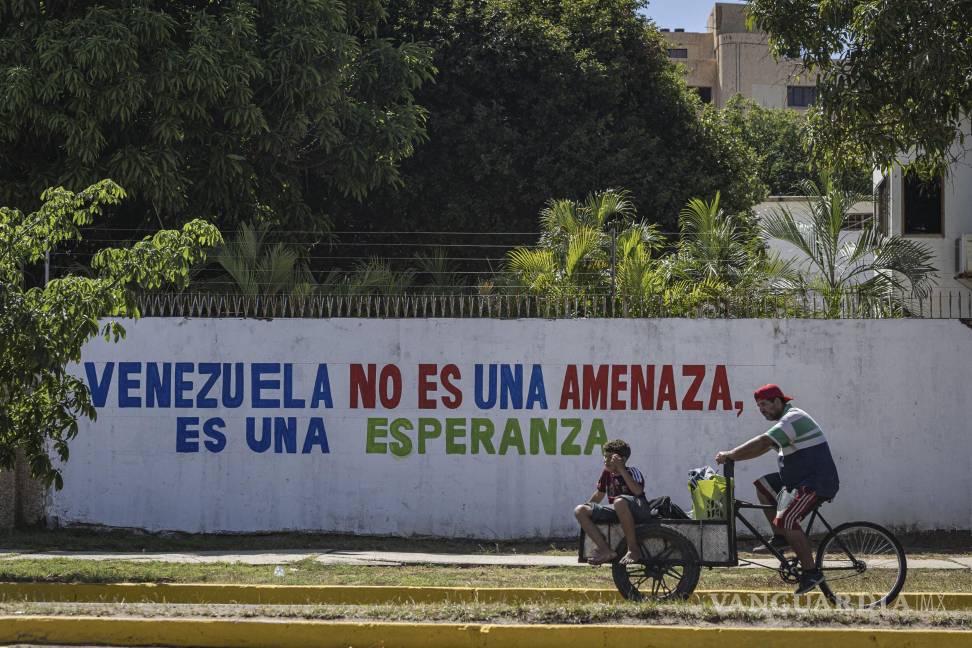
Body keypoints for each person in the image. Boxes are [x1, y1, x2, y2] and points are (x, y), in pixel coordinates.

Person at [715, 384, 840, 595]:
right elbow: (763, 448)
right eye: (758, 406)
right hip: (798, 481)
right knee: (764, 486)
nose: (762, 409)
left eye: (764, 404)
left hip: (816, 482)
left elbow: (763, 441)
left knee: (788, 519)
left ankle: (811, 572)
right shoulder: (785, 423)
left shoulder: (793, 418)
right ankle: (781, 538)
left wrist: (730, 454)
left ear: (778, 401)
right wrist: (734, 457)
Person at [574, 439, 652, 565]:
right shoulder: (606, 474)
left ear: (623, 459)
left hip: (638, 509)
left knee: (619, 501)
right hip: (618, 509)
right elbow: (599, 494)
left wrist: (622, 470)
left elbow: (638, 492)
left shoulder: (632, 471)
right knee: (580, 510)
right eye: (605, 456)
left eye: (611, 457)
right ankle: (605, 550)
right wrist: (587, 510)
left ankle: (633, 549)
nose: (606, 460)